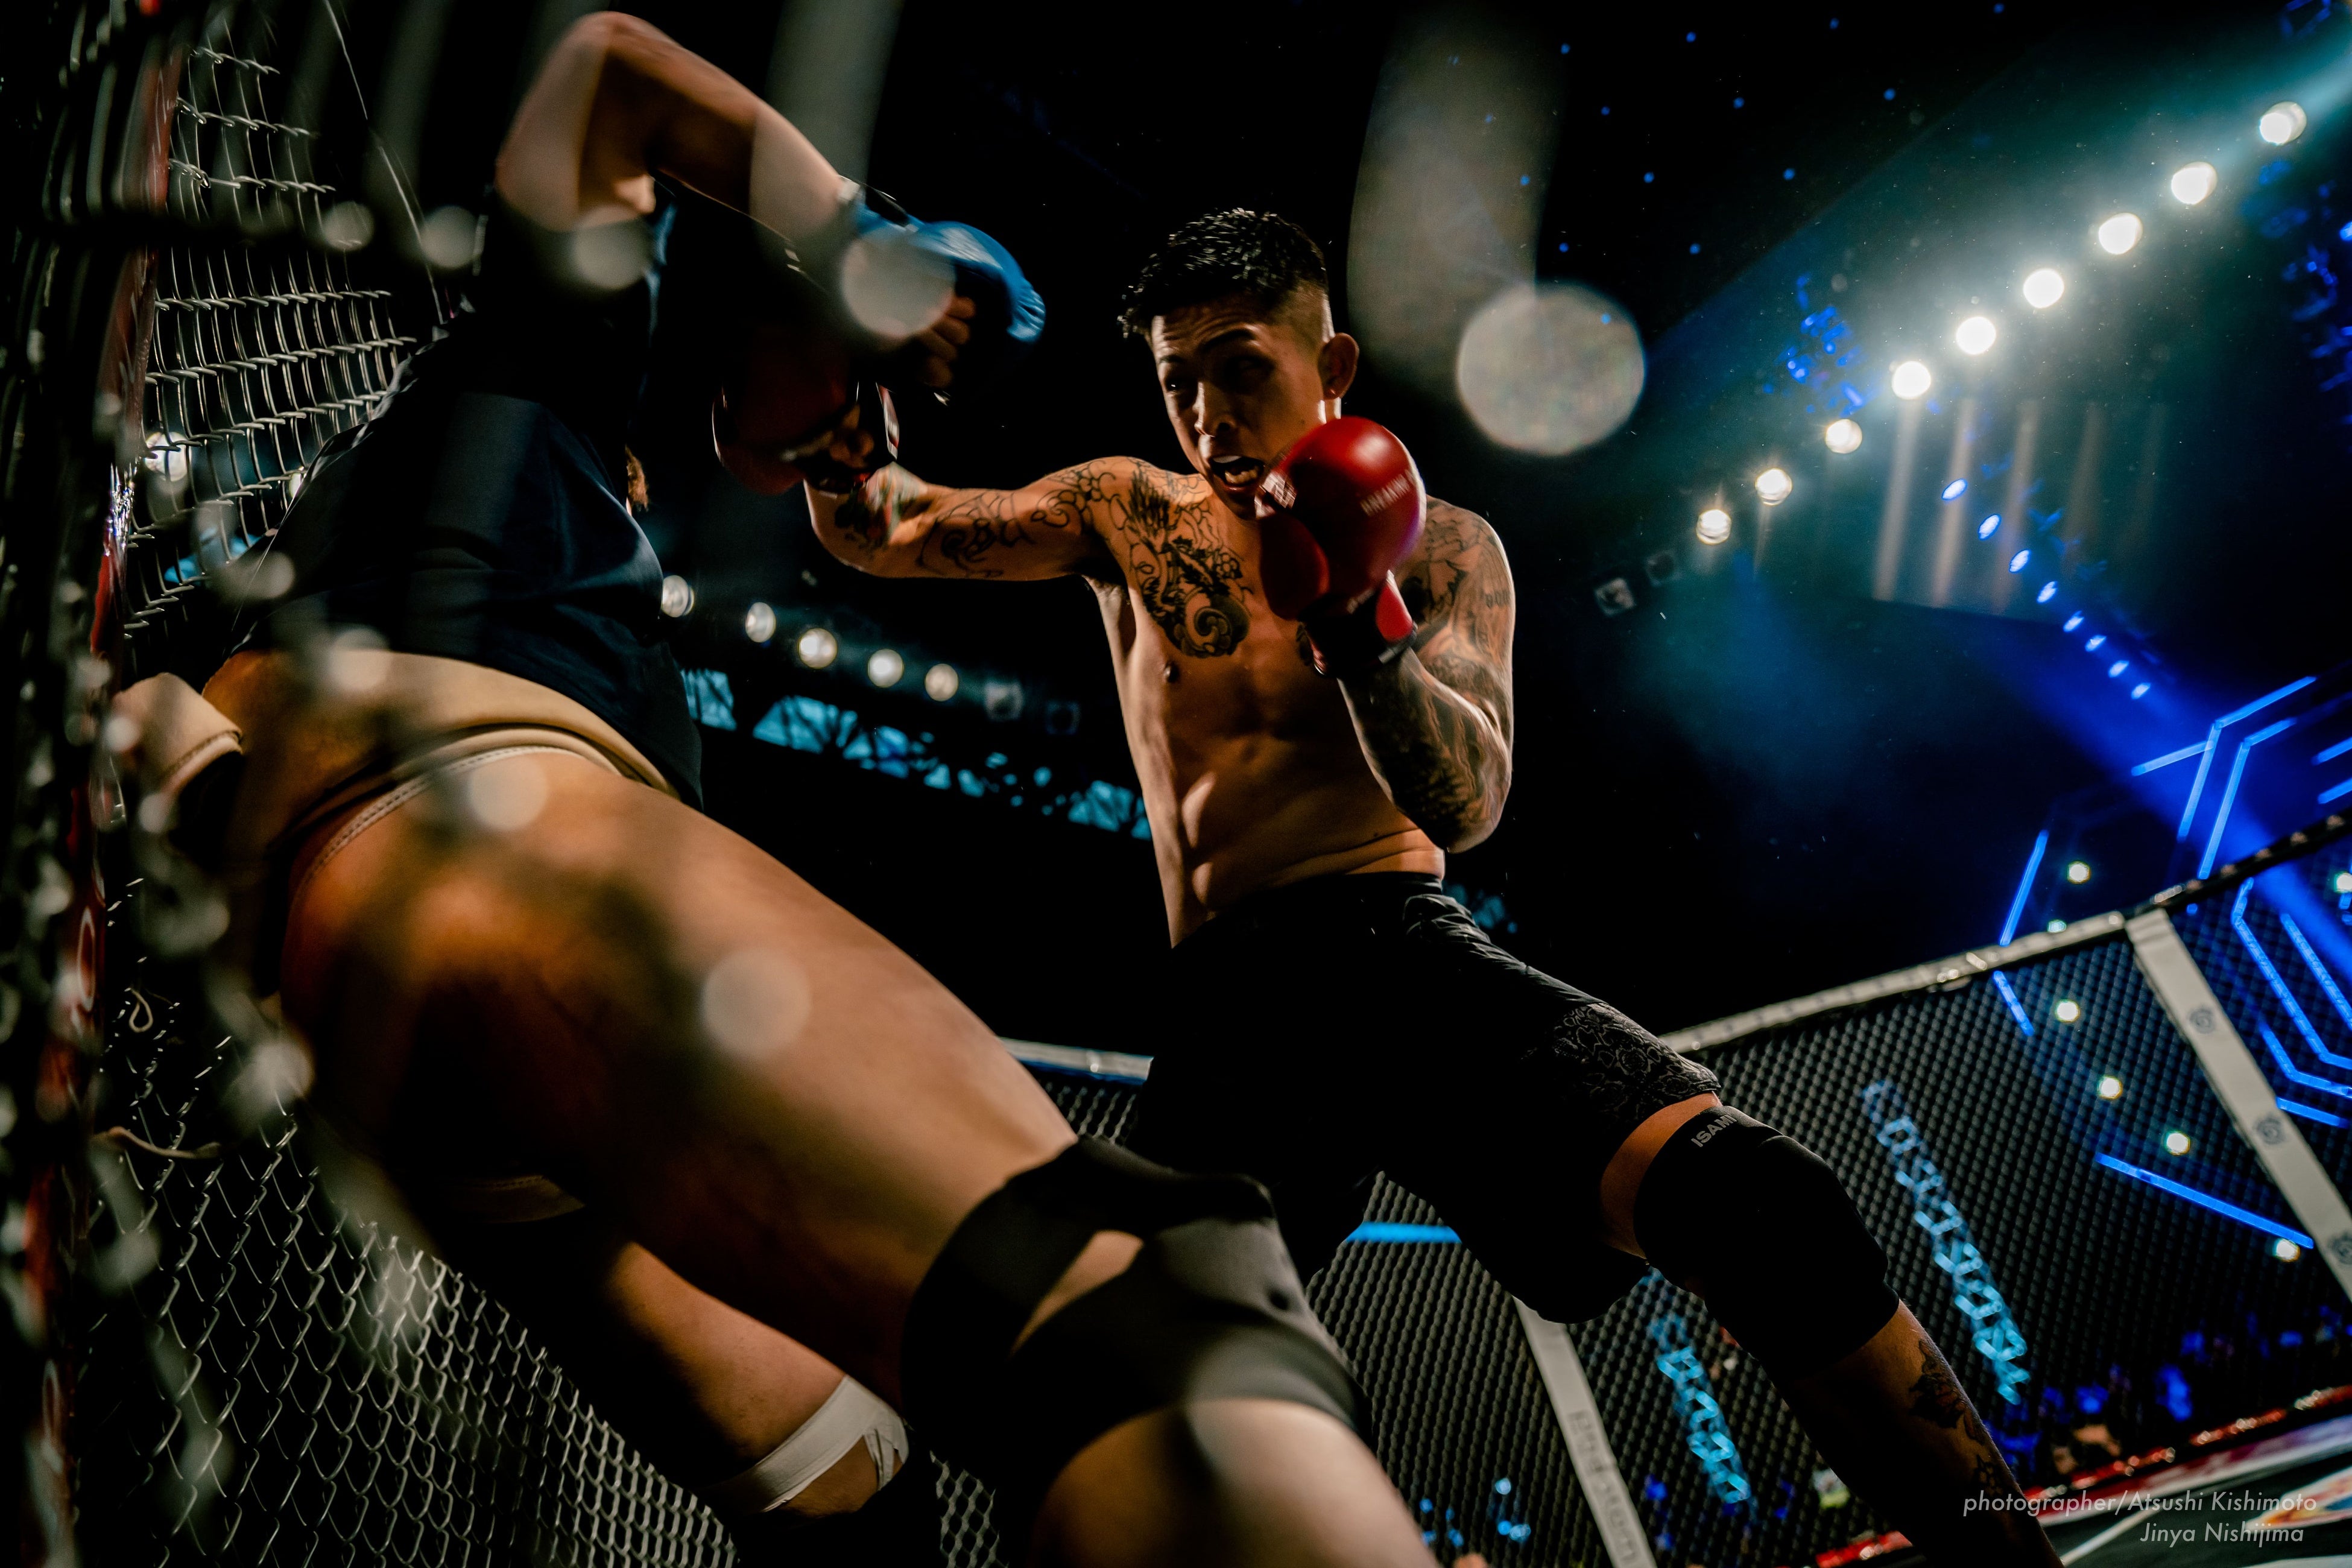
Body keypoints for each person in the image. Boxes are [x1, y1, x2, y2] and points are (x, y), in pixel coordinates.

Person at [117, 25, 1440, 1568]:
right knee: (1157, 1305)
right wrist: (853, 236)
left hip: (402, 1027)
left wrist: (838, 439)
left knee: (856, 1485)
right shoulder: (544, 368)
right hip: (467, 830)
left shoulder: (543, 554)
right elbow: (608, 73)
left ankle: (185, 786)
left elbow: (879, 522)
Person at [806, 207, 2063, 1564]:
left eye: (1241, 368)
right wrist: (828, 383)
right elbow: (887, 530)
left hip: (1399, 953)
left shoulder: (1445, 547)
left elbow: (1469, 802)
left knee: (1761, 1208)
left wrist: (1364, 628)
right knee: (1118, 1402)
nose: (1208, 413)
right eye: (1179, 381)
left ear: (1331, 363)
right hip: (1232, 1016)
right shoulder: (1130, 511)